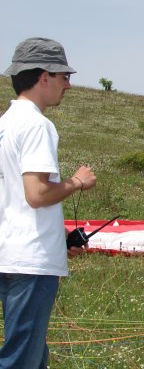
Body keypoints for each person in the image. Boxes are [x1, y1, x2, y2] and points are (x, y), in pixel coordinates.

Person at [0, 37, 97, 368]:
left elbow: (13, 197)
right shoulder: (37, 125)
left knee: (33, 354)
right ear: (44, 76)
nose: (68, 85)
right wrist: (77, 181)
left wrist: (60, 239)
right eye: (64, 76)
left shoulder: (5, 124)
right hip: (31, 260)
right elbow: (37, 194)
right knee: (21, 359)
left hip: (10, 253)